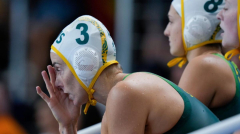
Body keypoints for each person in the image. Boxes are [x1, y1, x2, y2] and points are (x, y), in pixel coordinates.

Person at [36, 15, 219, 134]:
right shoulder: (121, 97)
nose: (57, 83)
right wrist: (68, 126)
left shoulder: (126, 94)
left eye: (59, 69)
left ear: (83, 62)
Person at [164, 0, 240, 120]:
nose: (166, 31)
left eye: (171, 21)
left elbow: (171, 128)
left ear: (195, 23)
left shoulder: (205, 65)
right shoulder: (218, 62)